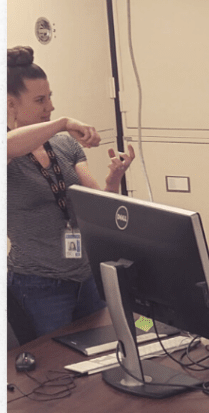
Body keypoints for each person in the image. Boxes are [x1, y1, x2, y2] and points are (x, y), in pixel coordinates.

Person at [7, 46, 136, 337]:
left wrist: (114, 179)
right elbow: (8, 145)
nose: (50, 106)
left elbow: (100, 207)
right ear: (11, 104)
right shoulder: (2, 152)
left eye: (50, 97)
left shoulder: (65, 145)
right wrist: (63, 123)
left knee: (101, 346)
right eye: (40, 100)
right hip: (38, 285)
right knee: (55, 361)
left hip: (85, 275)